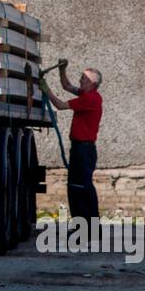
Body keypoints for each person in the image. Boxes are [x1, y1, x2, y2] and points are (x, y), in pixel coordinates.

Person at [40, 65, 104, 222]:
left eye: (84, 78)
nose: (80, 80)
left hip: (82, 150)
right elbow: (66, 86)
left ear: (92, 84)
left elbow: (60, 106)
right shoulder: (89, 95)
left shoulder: (89, 99)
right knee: (85, 188)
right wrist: (62, 70)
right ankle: (92, 229)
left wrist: (46, 89)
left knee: (77, 189)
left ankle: (83, 229)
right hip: (84, 149)